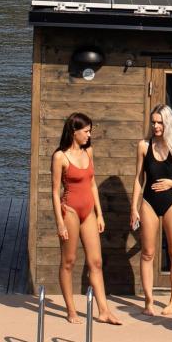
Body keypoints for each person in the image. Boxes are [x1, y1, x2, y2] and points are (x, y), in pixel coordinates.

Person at [53, 112, 122, 325]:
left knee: (96, 262)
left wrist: (100, 214)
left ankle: (104, 311)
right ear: (74, 132)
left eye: (90, 131)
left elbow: (92, 184)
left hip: (89, 212)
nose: (89, 135)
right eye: (86, 131)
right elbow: (55, 192)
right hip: (70, 211)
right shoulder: (60, 157)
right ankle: (71, 310)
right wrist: (60, 223)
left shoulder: (88, 152)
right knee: (69, 261)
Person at [132, 104, 172, 316]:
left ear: (167, 122)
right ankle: (148, 302)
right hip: (149, 202)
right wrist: (134, 208)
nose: (155, 126)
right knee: (148, 253)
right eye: (153, 122)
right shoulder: (143, 145)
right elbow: (138, 179)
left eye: (160, 122)